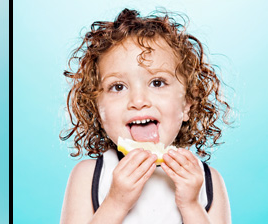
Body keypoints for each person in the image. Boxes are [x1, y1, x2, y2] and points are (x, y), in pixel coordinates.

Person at [60, 8, 231, 223]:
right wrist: (116, 202)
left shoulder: (207, 181)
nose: (138, 101)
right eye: (118, 86)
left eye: (157, 83)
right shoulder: (89, 176)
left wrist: (191, 205)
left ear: (187, 103)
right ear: (97, 109)